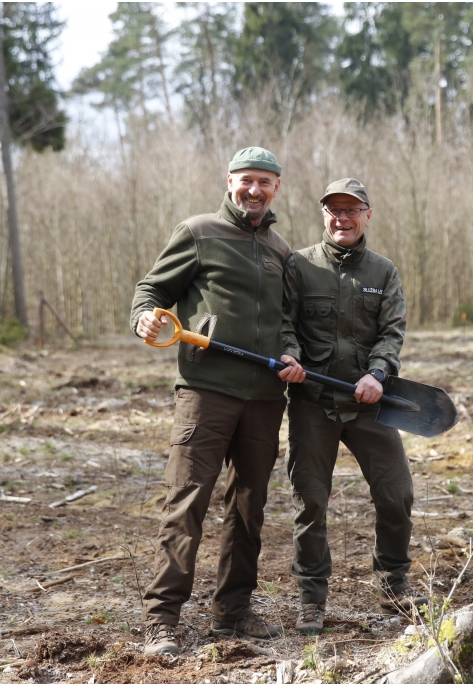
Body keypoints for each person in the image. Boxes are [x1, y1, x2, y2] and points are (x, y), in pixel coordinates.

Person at [130, 147, 305, 656]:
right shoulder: (198, 232)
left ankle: (233, 612)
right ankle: (161, 619)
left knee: (249, 507)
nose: (255, 190)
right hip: (206, 394)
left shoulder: (281, 249)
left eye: (265, 183)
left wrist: (290, 352)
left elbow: (288, 321)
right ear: (229, 181)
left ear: (276, 188)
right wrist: (145, 317)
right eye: (247, 180)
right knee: (186, 503)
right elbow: (151, 290)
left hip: (266, 397)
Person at [280, 178, 426, 636]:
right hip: (312, 403)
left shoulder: (383, 272)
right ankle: (311, 599)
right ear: (324, 215)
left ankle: (394, 583)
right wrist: (290, 357)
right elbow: (284, 324)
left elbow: (392, 332)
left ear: (367, 215)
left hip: (368, 406)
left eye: (352, 210)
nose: (342, 218)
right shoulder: (299, 265)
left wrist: (378, 373)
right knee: (311, 504)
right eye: (334, 210)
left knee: (397, 494)